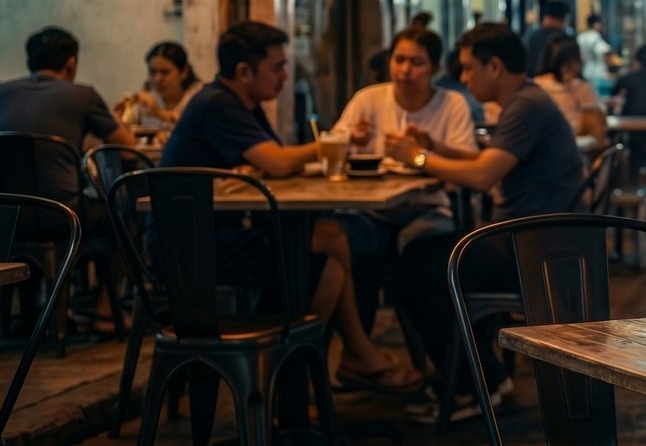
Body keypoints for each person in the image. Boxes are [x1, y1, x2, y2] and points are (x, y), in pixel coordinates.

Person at [159, 21, 422, 395]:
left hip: (222, 234)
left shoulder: (244, 103)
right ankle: (294, 388)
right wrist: (334, 142)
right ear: (244, 72)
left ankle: (309, 380)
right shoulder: (217, 103)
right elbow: (279, 163)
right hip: (191, 250)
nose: (286, 75)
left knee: (330, 239)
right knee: (325, 257)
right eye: (278, 67)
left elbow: (269, 163)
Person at [387, 23, 586, 423]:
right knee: (423, 256)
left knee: (414, 267)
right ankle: (483, 376)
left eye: (467, 69)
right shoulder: (525, 101)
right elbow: (488, 159)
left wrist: (418, 158)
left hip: (531, 250)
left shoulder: (526, 105)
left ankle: (471, 386)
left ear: (493, 67)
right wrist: (435, 147)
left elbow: (482, 176)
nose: (462, 79)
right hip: (536, 242)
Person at [331, 28, 478, 326]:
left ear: (434, 68)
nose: (405, 70)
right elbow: (331, 151)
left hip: (428, 208)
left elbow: (471, 161)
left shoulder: (452, 104)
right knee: (354, 246)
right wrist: (351, 142)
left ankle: (425, 344)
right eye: (399, 60)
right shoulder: (367, 99)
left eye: (416, 62)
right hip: (372, 212)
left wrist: (426, 149)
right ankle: (361, 350)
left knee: (419, 252)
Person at [0, 27, 136, 204]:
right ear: (71, 63)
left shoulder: (1, 93)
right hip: (63, 214)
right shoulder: (83, 95)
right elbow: (128, 150)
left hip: (5, 215)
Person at [535, 35, 607, 148]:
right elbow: (597, 133)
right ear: (574, 61)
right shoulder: (581, 87)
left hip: (539, 152)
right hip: (575, 154)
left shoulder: (534, 86)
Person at [118, 42, 203, 129]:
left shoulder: (199, 96)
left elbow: (194, 128)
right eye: (152, 72)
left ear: (184, 72)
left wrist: (158, 113)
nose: (157, 79)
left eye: (165, 72)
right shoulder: (148, 94)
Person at [522, 0, 571, 77]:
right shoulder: (563, 39)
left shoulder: (531, 36)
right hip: (555, 86)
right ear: (562, 19)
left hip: (531, 84)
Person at [577, 13, 616, 89]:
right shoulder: (595, 36)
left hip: (584, 70)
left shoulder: (581, 37)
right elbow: (605, 51)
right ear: (596, 24)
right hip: (597, 72)